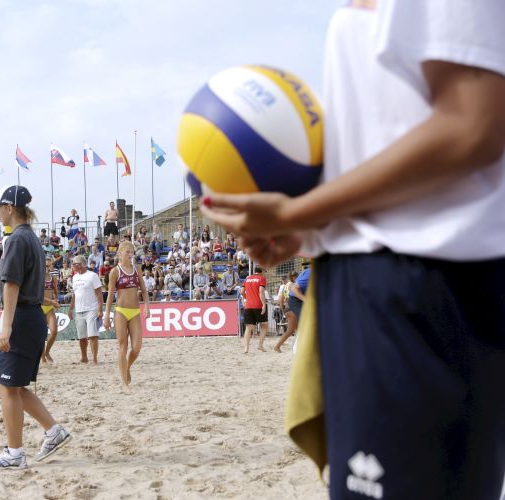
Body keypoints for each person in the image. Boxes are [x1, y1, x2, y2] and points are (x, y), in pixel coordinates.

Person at [201, 1, 505, 497]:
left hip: (419, 281)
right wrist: (314, 227)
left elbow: (473, 124)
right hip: (375, 277)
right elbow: (393, 130)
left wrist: (301, 212)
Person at [0, 185, 71, 469]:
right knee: (15, 386)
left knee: (8, 388)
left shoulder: (16, 239)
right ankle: (53, 431)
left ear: (9, 208)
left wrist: (6, 327)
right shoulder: (31, 237)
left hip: (21, 318)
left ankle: (15, 453)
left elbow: (12, 285)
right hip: (32, 316)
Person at [104, 241, 150, 393]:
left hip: (135, 311)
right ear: (120, 253)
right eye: (127, 252)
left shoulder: (137, 269)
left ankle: (127, 366)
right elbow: (110, 295)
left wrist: (147, 306)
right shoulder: (115, 272)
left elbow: (144, 290)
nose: (130, 254)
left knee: (136, 348)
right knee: (123, 346)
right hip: (121, 311)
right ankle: (124, 383)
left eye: (132, 252)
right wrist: (106, 315)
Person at [68, 255, 103, 364]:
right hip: (79, 310)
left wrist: (100, 309)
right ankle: (84, 357)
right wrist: (70, 309)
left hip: (91, 309)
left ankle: (94, 358)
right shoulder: (75, 277)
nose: (72, 265)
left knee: (93, 335)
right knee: (82, 337)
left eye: (74, 263)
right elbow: (74, 295)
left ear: (81, 264)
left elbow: (99, 294)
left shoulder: (92, 275)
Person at [274, 271, 304, 353]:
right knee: (291, 330)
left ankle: (298, 347)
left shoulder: (286, 285)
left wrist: (282, 309)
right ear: (295, 277)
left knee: (295, 329)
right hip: (292, 309)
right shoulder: (295, 285)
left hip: (287, 309)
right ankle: (277, 346)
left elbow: (281, 298)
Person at [240, 266, 267, 353]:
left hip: (248, 305)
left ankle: (246, 348)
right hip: (258, 305)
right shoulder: (262, 279)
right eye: (264, 271)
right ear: (261, 271)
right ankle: (260, 345)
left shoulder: (247, 279)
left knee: (248, 328)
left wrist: (246, 298)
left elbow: (241, 292)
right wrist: (264, 304)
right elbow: (261, 292)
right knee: (264, 325)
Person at [41, 258, 59, 364]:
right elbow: (38, 295)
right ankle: (43, 358)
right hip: (39, 307)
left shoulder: (53, 278)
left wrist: (56, 300)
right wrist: (52, 301)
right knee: (41, 335)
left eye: (48, 266)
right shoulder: (37, 278)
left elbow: (56, 291)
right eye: (45, 266)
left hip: (49, 308)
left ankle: (47, 352)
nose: (46, 268)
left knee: (54, 331)